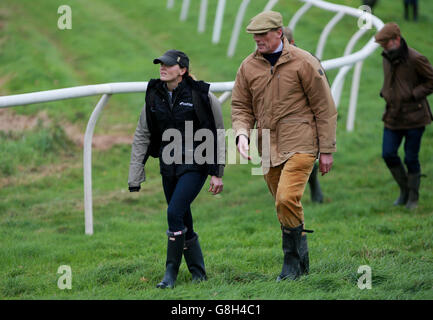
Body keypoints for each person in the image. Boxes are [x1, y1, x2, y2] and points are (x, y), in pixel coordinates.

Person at [231, 11, 337, 281]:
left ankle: (290, 264)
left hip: (301, 142)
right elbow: (241, 106)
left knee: (286, 198)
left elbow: (324, 107)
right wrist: (241, 135)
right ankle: (302, 264)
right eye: (254, 36)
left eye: (263, 35)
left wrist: (326, 150)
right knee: (283, 206)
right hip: (266, 146)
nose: (258, 40)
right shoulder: (247, 66)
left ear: (279, 33)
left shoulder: (304, 62)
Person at [128, 49, 225, 289]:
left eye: (168, 65)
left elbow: (218, 133)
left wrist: (217, 172)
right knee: (182, 218)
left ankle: (170, 273)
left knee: (173, 214)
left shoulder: (201, 96)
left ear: (182, 70)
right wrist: (135, 174)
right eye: (160, 64)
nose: (162, 68)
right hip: (168, 165)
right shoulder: (154, 95)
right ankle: (199, 274)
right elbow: (143, 133)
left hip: (196, 164)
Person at [375, 23, 433, 209]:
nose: (383, 47)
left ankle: (413, 198)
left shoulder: (416, 58)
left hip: (415, 118)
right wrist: (386, 93)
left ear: (397, 40)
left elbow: (431, 81)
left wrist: (413, 94)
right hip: (392, 115)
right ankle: (404, 191)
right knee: (388, 154)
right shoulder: (386, 56)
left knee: (411, 158)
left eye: (386, 43)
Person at [283, 26, 324, 204]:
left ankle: (313, 187)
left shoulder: (309, 61)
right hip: (280, 121)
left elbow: (323, 95)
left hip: (304, 120)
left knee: (303, 156)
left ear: (291, 42)